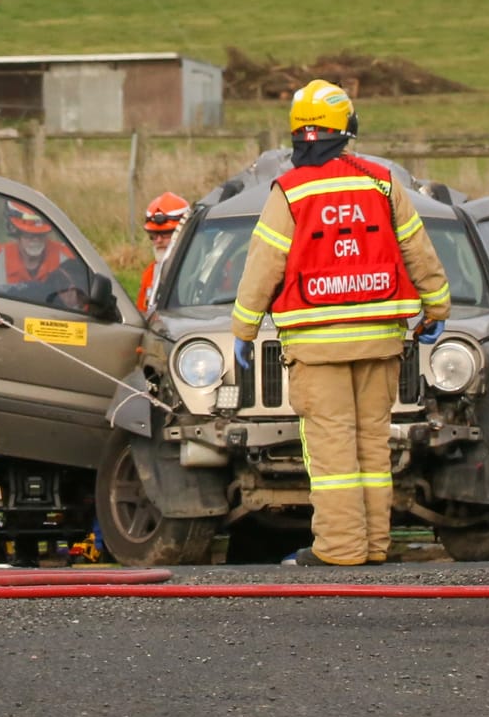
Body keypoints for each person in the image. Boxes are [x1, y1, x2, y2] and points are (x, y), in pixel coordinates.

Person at [229, 80, 451, 567]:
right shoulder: (380, 183)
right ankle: (373, 546)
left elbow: (264, 264)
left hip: (316, 347)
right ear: (348, 129)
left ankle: (339, 551)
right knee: (373, 446)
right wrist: (436, 309)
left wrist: (243, 331)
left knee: (331, 454)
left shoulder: (290, 191)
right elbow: (418, 250)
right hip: (380, 341)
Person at [0, 200, 81, 307]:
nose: (35, 240)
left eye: (40, 235)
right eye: (29, 235)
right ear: (15, 232)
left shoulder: (68, 257)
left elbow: (85, 308)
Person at [138, 191, 189, 312]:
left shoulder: (211, 270)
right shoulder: (149, 274)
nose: (158, 241)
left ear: (183, 233)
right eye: (154, 235)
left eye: (165, 234)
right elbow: (141, 316)